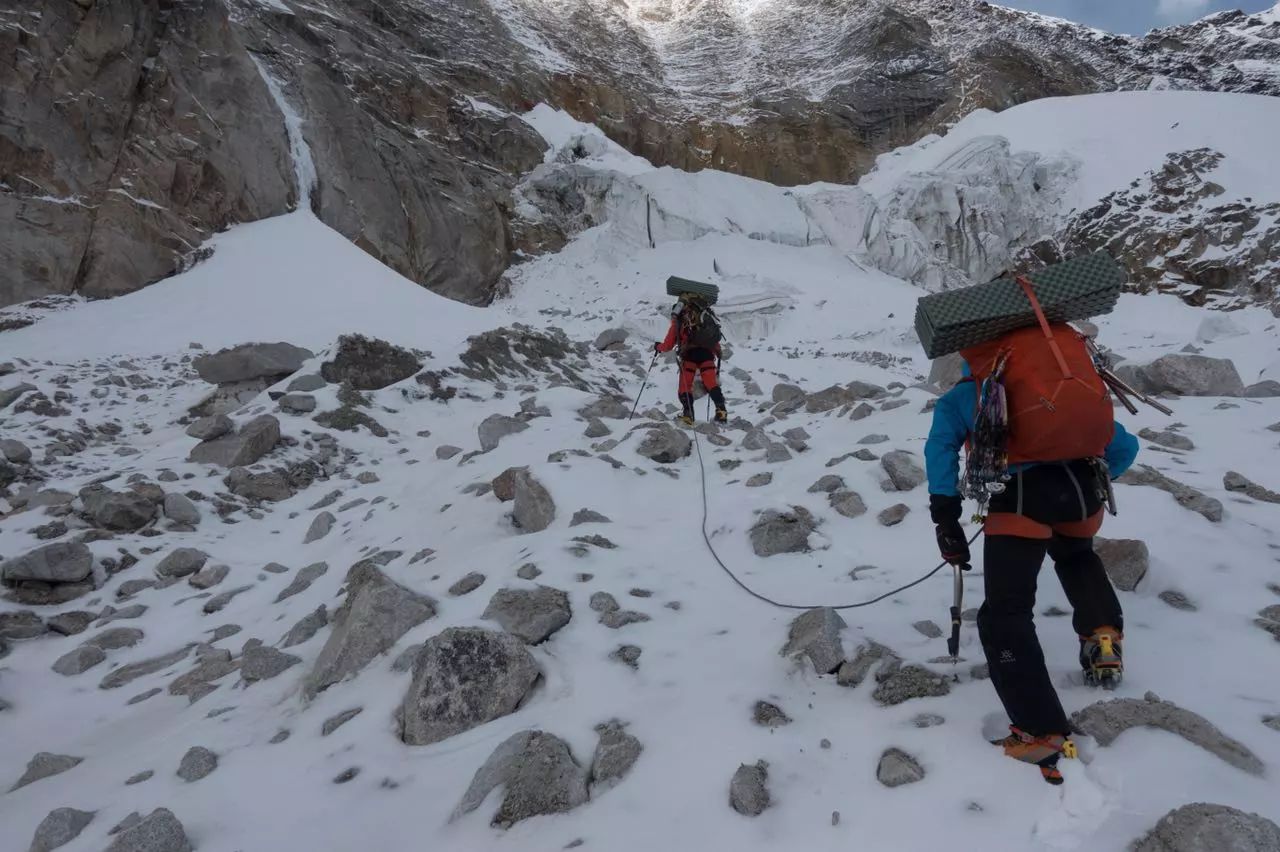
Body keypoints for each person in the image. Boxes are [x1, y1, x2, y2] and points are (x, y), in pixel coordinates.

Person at [925, 335, 1139, 784]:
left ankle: (1040, 732)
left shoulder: (971, 392)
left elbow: (940, 451)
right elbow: (1123, 446)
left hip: (1020, 499)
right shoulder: (1067, 382)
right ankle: (1102, 638)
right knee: (1077, 555)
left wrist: (946, 518)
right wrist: (1099, 481)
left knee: (1005, 614)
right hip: (1082, 493)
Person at [654, 298, 727, 425]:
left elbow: (668, 346)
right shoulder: (704, 319)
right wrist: (717, 352)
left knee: (685, 385)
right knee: (711, 384)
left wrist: (657, 347)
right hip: (707, 355)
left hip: (689, 356)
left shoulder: (679, 322)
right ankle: (721, 412)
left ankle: (688, 415)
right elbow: (714, 341)